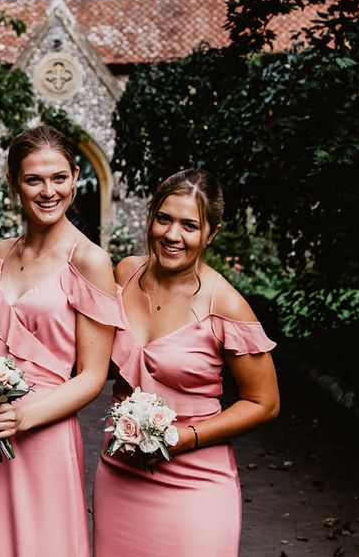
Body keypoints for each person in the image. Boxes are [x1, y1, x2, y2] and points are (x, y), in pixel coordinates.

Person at [0, 125, 121, 557]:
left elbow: (92, 376)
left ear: (76, 176)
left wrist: (24, 419)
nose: (48, 191)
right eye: (34, 179)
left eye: (59, 178)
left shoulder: (90, 260)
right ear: (13, 183)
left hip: (41, 430)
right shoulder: (0, 252)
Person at [93, 168, 279, 556]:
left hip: (195, 482)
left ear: (211, 234)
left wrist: (182, 438)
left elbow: (265, 403)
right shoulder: (125, 274)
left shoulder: (224, 305)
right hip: (120, 471)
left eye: (189, 225)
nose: (172, 235)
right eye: (164, 219)